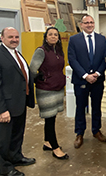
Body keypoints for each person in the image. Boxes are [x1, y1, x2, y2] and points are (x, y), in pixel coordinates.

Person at [0, 27, 36, 176]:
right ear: (2, 38)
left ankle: (16, 157)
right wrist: (1, 110)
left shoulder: (16, 53)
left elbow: (20, 75)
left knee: (17, 134)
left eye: (16, 37)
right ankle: (5, 169)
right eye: (10, 37)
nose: (14, 40)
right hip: (6, 106)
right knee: (3, 140)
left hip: (19, 103)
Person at [68, 15, 106, 149]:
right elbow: (72, 59)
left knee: (96, 107)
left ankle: (96, 130)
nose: (89, 25)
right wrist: (85, 75)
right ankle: (79, 133)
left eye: (91, 22)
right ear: (81, 25)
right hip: (81, 80)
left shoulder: (102, 39)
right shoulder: (74, 40)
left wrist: (97, 74)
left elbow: (105, 59)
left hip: (98, 80)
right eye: (86, 23)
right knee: (80, 107)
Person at [30, 27, 69, 160]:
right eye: (50, 34)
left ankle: (47, 142)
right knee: (50, 119)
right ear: (46, 37)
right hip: (46, 90)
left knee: (52, 118)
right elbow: (32, 70)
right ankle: (55, 147)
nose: (53, 36)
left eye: (55, 35)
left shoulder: (58, 51)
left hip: (57, 88)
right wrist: (41, 79)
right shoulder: (41, 51)